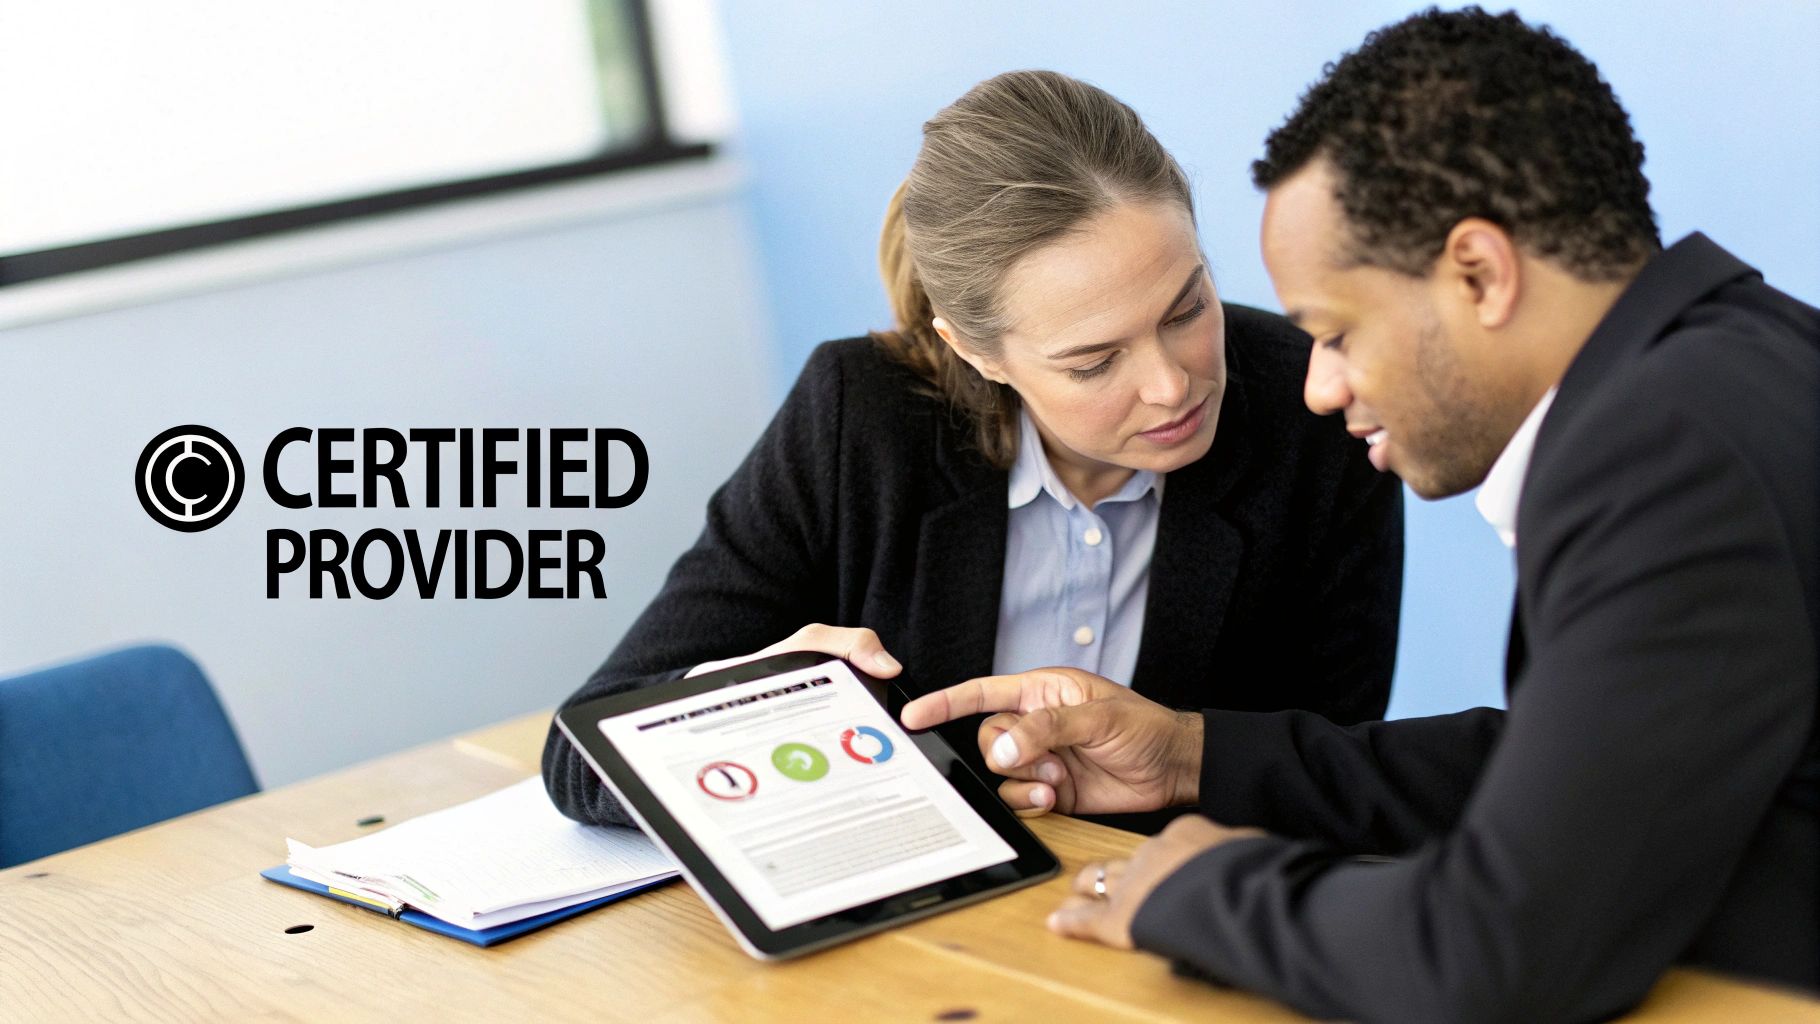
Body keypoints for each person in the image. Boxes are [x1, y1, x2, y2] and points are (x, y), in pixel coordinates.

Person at [902, 10, 1820, 1022]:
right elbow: (1578, 767)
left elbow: (1497, 952)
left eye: (1333, 333)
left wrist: (1194, 892)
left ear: (1478, 272)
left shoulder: (1664, 461)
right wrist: (1191, 754)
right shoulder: (1745, 365)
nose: (1318, 387)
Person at [543, 70, 1403, 829]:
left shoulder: (1315, 406)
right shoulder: (859, 418)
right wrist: (755, 709)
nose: (1173, 385)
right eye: (1093, 360)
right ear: (975, 351)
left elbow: (1329, 771)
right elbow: (581, 758)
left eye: (1186, 308)